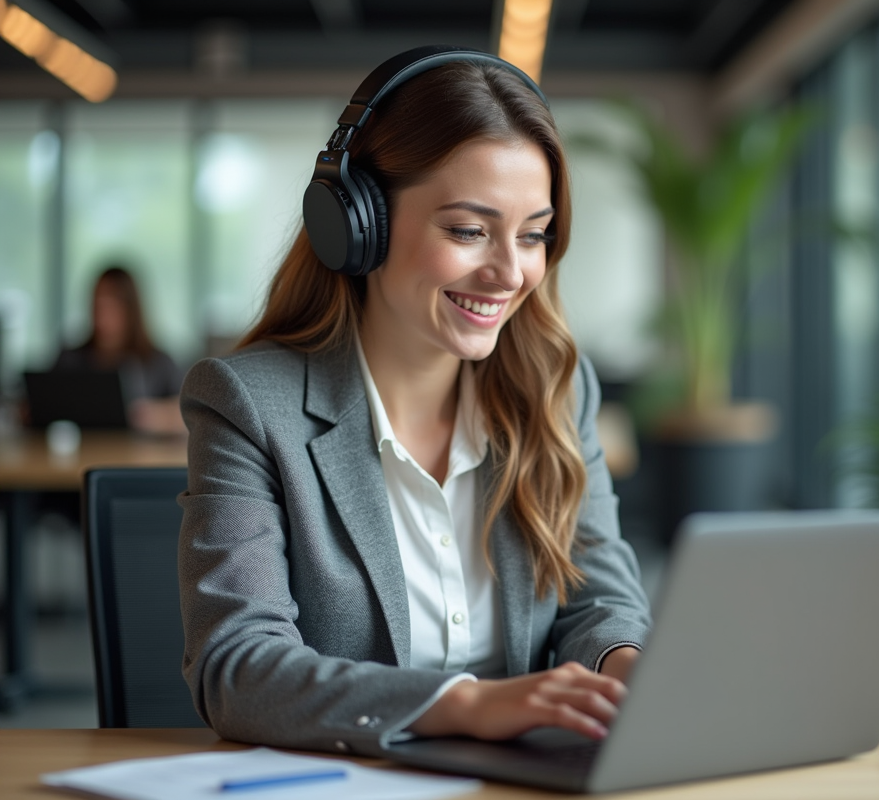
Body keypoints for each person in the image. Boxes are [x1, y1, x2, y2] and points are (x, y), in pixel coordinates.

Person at [177, 48, 652, 758]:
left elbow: (600, 598)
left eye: (533, 235)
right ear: (357, 223)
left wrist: (628, 671)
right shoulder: (248, 405)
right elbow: (238, 669)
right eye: (468, 230)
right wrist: (465, 705)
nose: (510, 272)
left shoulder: (554, 386)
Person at [53, 265, 185, 434]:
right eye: (99, 303)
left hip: (137, 457)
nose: (103, 314)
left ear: (131, 309)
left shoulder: (159, 363)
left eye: (112, 305)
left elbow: (189, 415)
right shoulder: (70, 359)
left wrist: (152, 415)